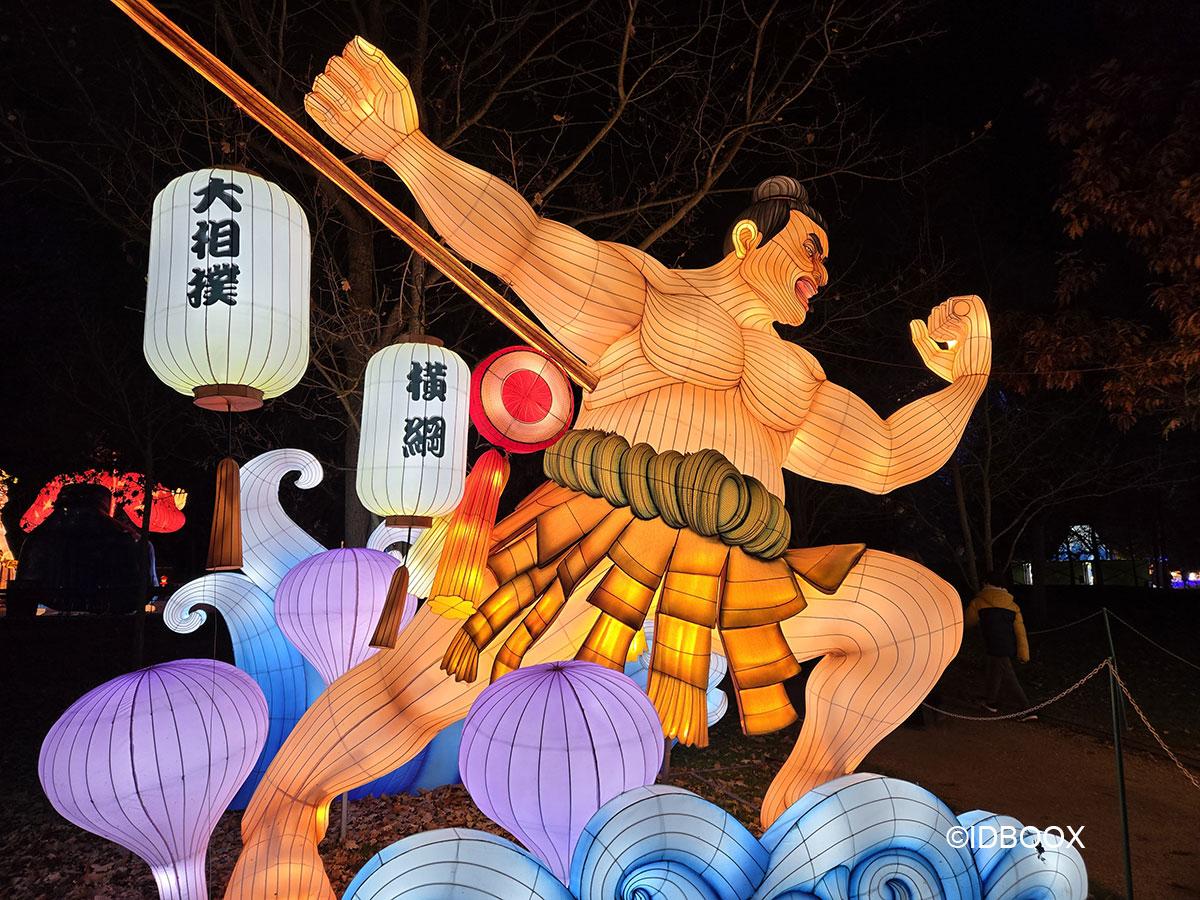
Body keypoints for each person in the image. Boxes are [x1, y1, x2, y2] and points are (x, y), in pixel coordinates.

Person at [224, 39, 992, 899]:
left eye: (825, 261)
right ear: (749, 237)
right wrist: (407, 148)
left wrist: (966, 383)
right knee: (412, 691)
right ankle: (284, 817)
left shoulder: (798, 379)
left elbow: (886, 457)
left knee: (916, 611)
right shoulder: (645, 293)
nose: (820, 273)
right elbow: (516, 242)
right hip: (594, 545)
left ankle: (807, 789)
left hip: (741, 582)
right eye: (809, 248)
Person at [965, 569, 1036, 720]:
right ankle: (991, 702)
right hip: (1006, 645)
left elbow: (968, 622)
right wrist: (1024, 654)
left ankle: (1027, 709)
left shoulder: (979, 602)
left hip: (992, 645)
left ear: (986, 583)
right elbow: (1020, 633)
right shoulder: (1013, 606)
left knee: (1009, 677)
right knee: (995, 672)